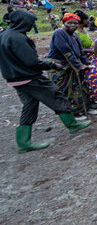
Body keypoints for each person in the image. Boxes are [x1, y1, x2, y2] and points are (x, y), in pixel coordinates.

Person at [0, 10, 91, 152]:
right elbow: (32, 61)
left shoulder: (4, 35)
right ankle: (72, 125)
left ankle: (24, 143)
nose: (32, 26)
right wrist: (52, 65)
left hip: (13, 78)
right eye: (31, 22)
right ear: (23, 22)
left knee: (29, 106)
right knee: (56, 95)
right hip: (29, 77)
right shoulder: (18, 38)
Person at [47, 13, 97, 120]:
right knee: (66, 89)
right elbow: (66, 51)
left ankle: (84, 107)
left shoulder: (76, 35)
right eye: (70, 23)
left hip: (73, 62)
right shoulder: (59, 33)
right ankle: (73, 113)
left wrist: (86, 62)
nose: (73, 25)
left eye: (75, 23)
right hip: (60, 64)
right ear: (64, 23)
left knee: (80, 85)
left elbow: (80, 51)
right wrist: (79, 65)